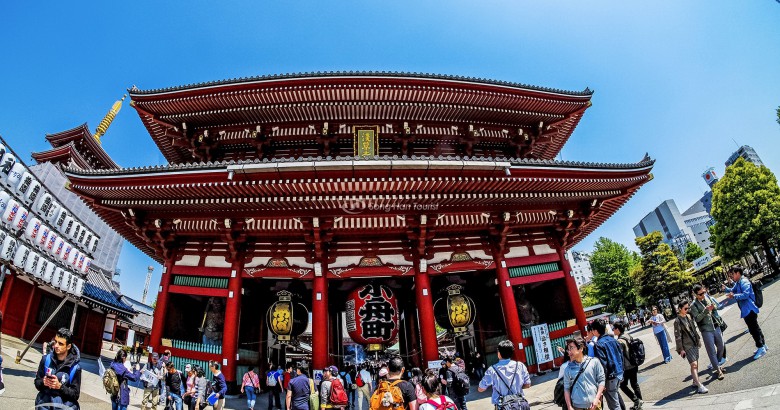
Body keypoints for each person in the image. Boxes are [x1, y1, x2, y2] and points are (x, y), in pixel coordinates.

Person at [723, 265, 767, 360]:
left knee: (753, 329)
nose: (731, 277)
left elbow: (746, 295)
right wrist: (726, 289)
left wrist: (734, 296)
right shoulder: (738, 282)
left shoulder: (744, 281)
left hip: (749, 308)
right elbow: (732, 290)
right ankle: (763, 345)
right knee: (756, 328)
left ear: (738, 273)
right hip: (746, 309)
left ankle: (761, 348)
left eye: (733, 274)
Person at [34, 327, 82, 410]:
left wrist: (60, 387)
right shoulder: (46, 360)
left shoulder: (75, 368)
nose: (56, 346)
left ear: (68, 346)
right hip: (44, 405)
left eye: (60, 344)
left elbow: (75, 395)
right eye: (55, 341)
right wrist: (43, 382)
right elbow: (37, 382)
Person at [478, 339, 531, 408]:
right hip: (519, 405)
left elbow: (481, 389)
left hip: (502, 406)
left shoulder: (492, 370)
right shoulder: (520, 366)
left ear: (499, 353)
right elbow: (527, 385)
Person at [689, 284, 726, 378]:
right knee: (711, 351)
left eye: (704, 292)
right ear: (695, 294)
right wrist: (705, 311)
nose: (703, 295)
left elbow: (715, 308)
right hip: (706, 329)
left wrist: (714, 307)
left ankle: (716, 364)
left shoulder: (707, 298)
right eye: (701, 294)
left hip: (715, 325)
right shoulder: (693, 305)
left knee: (721, 346)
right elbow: (697, 319)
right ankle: (718, 370)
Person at [673, 300, 708, 394]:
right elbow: (678, 336)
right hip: (687, 346)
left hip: (694, 342)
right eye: (685, 308)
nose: (687, 310)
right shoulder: (677, 321)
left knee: (696, 362)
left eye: (688, 308)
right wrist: (681, 349)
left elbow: (694, 329)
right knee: (694, 364)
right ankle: (699, 385)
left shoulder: (688, 316)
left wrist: (698, 340)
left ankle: (694, 381)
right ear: (680, 309)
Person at [563, 336, 605, 410]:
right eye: (568, 349)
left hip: (594, 404)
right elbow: (566, 388)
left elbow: (601, 380)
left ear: (581, 348)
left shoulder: (594, 362)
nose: (569, 352)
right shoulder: (568, 369)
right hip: (577, 406)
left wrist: (597, 398)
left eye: (571, 348)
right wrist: (569, 406)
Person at [590, 319, 624, 410]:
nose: (592, 332)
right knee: (615, 399)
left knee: (614, 405)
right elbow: (621, 356)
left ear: (596, 330)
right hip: (618, 373)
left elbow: (602, 364)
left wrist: (602, 382)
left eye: (592, 330)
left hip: (610, 376)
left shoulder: (599, 344)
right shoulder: (613, 340)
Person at [612, 321, 642, 410]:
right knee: (634, 383)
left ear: (617, 329)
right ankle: (640, 401)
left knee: (623, 385)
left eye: (614, 329)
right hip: (634, 363)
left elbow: (620, 356)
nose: (613, 330)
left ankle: (636, 400)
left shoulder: (619, 341)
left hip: (627, 366)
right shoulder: (628, 335)